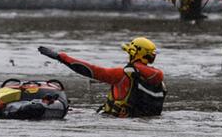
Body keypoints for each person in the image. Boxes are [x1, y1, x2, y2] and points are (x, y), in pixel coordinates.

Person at [38, 37, 166, 117]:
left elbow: (90, 70)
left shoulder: (122, 74)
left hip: (117, 122)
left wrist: (61, 57)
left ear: (133, 53)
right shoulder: (159, 80)